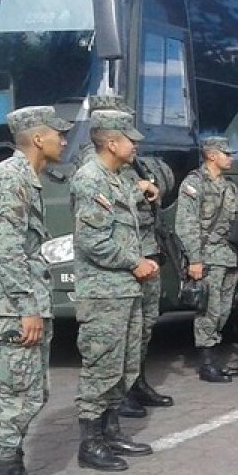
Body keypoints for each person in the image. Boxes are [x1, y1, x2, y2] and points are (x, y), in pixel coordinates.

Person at [0, 106, 71, 475]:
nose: (63, 140)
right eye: (57, 134)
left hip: (19, 302)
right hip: (11, 307)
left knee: (31, 391)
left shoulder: (26, 180)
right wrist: (26, 306)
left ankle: (12, 472)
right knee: (15, 395)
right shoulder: (8, 179)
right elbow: (6, 250)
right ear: (37, 139)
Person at [71, 110, 156, 471]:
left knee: (124, 365)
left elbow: (129, 205)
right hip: (104, 291)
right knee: (101, 367)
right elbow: (92, 240)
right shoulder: (90, 180)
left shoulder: (117, 177)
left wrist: (146, 185)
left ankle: (111, 430)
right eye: (130, 140)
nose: (135, 145)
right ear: (111, 143)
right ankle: (90, 443)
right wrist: (133, 262)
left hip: (125, 290)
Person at [80, 95, 174, 419]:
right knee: (109, 348)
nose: (133, 138)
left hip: (141, 251)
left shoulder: (129, 164)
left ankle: (133, 386)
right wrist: (134, 262)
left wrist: (145, 187)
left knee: (140, 330)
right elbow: (96, 229)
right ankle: (110, 412)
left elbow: (131, 193)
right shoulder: (91, 169)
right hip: (117, 271)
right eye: (125, 127)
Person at [176, 136, 238, 384]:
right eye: (227, 154)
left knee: (223, 310)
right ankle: (207, 363)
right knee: (208, 311)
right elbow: (186, 224)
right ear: (212, 155)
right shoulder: (194, 183)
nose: (231, 158)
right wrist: (195, 259)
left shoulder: (229, 186)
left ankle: (216, 358)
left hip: (228, 257)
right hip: (207, 257)